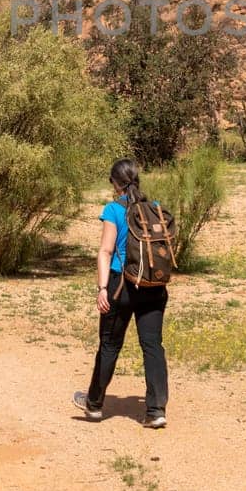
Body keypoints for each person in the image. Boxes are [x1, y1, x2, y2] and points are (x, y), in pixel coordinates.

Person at [73, 158, 169, 428]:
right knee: (152, 346)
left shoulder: (113, 209)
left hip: (121, 285)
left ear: (116, 184)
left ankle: (94, 405)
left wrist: (102, 288)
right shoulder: (155, 208)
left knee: (110, 344)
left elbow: (105, 250)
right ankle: (156, 410)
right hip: (153, 286)